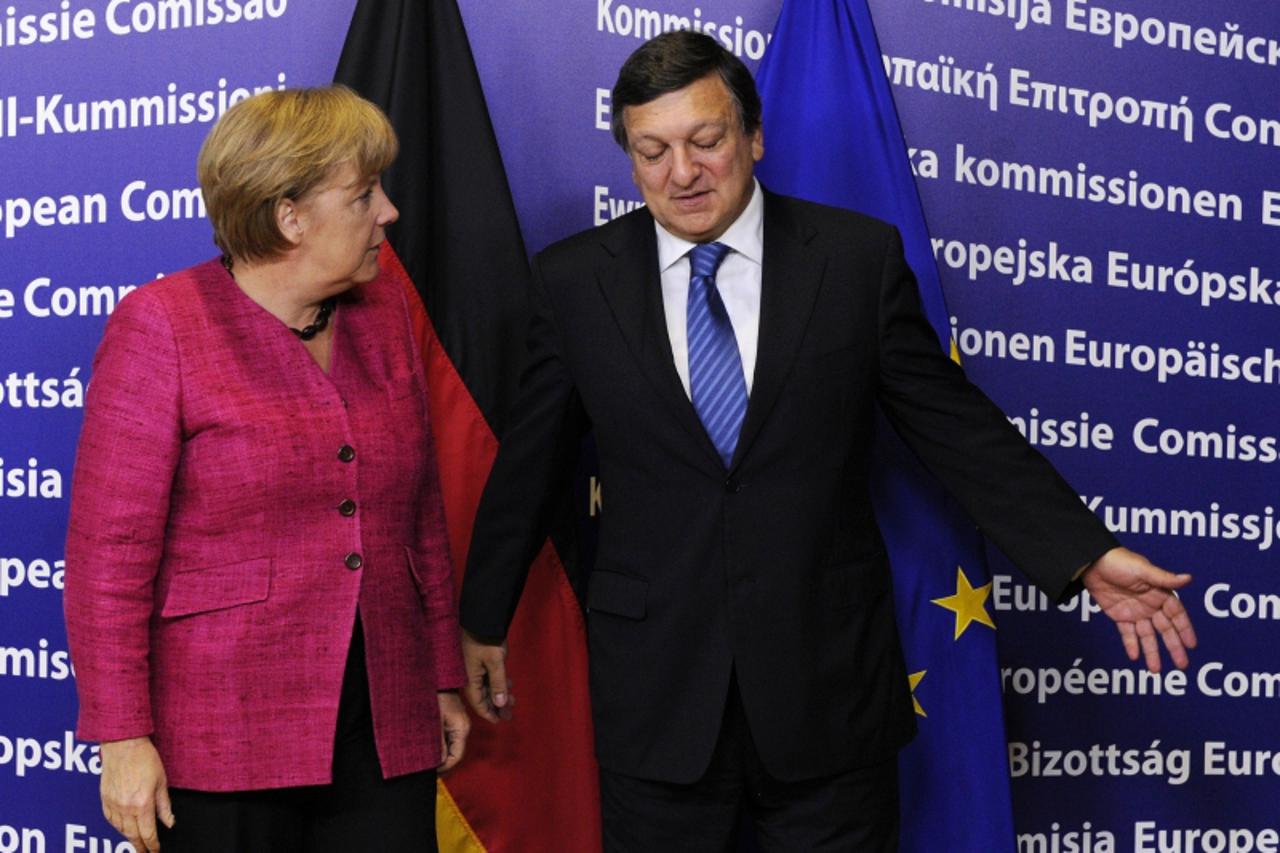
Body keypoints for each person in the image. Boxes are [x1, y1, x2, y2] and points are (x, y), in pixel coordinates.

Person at [458, 31, 1197, 852]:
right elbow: (530, 464)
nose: (682, 172)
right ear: (629, 156)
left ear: (753, 136)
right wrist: (481, 617)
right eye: (652, 150)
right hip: (658, 699)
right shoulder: (573, 279)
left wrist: (1083, 552)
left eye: (705, 141)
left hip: (829, 693)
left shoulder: (854, 260)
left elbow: (958, 428)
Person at [63, 86, 468, 853]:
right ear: (290, 217)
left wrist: (440, 673)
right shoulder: (163, 325)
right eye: (363, 194)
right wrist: (122, 738)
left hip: (383, 719)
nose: (388, 211)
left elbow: (418, 513)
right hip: (223, 732)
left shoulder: (384, 317)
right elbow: (106, 560)